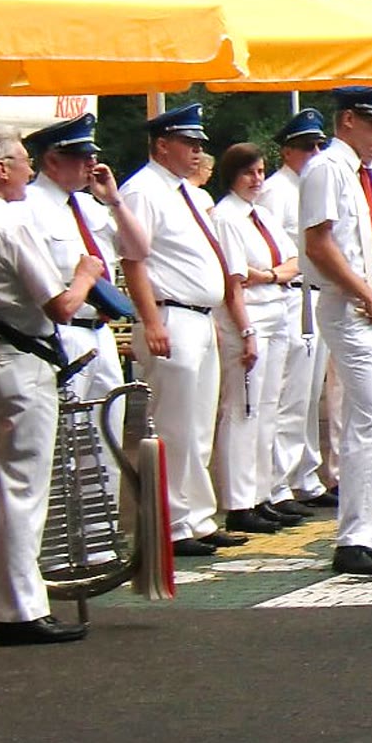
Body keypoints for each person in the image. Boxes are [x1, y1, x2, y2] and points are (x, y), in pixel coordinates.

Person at [0, 128, 104, 645]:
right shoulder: (10, 225)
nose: (29, 170)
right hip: (19, 362)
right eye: (21, 161)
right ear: (0, 170)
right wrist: (85, 274)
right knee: (22, 488)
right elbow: (60, 306)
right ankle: (19, 609)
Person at [121, 104, 250, 557]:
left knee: (197, 425)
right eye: (188, 143)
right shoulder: (142, 191)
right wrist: (151, 320)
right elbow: (134, 261)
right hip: (170, 313)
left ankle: (197, 515)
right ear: (162, 145)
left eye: (199, 144)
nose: (197, 152)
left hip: (198, 315)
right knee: (174, 426)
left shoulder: (188, 193)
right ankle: (173, 523)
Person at [297, 85, 372, 576]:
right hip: (349, 304)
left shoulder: (361, 174)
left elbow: (354, 244)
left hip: (368, 300)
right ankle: (355, 536)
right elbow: (319, 246)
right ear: (348, 120)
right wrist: (368, 294)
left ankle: (366, 533)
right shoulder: (327, 168)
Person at [21, 113, 149, 512]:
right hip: (63, 330)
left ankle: (100, 529)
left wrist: (114, 200)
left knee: (105, 436)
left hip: (99, 329)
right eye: (81, 157)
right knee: (68, 439)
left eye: (92, 155)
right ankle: (65, 534)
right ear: (52, 160)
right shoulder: (29, 206)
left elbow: (138, 249)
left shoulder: (90, 206)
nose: (91, 163)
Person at [208, 143, 308, 535]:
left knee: (268, 407)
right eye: (249, 172)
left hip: (276, 307)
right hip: (250, 315)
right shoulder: (226, 216)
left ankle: (262, 492)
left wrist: (268, 275)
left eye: (261, 171)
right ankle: (239, 500)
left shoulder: (261, 214)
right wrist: (246, 330)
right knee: (243, 408)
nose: (257, 179)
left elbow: (294, 261)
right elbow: (234, 281)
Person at [260, 108, 335, 510]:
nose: (315, 153)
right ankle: (280, 482)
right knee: (290, 394)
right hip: (289, 292)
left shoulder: (310, 187)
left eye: (319, 145)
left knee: (308, 395)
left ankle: (305, 474)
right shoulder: (276, 191)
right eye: (307, 147)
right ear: (287, 151)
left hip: (313, 290)